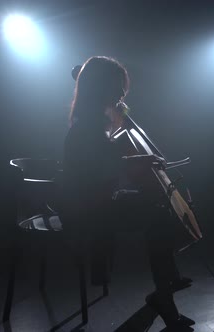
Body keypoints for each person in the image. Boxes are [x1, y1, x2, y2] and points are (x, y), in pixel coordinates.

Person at [61, 56, 194, 331]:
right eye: (116, 87)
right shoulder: (86, 127)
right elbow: (96, 172)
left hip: (97, 201)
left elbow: (107, 167)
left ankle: (165, 292)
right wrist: (137, 163)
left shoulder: (94, 123)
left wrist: (133, 163)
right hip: (85, 210)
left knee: (157, 207)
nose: (122, 94)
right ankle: (164, 294)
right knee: (158, 213)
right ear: (101, 87)